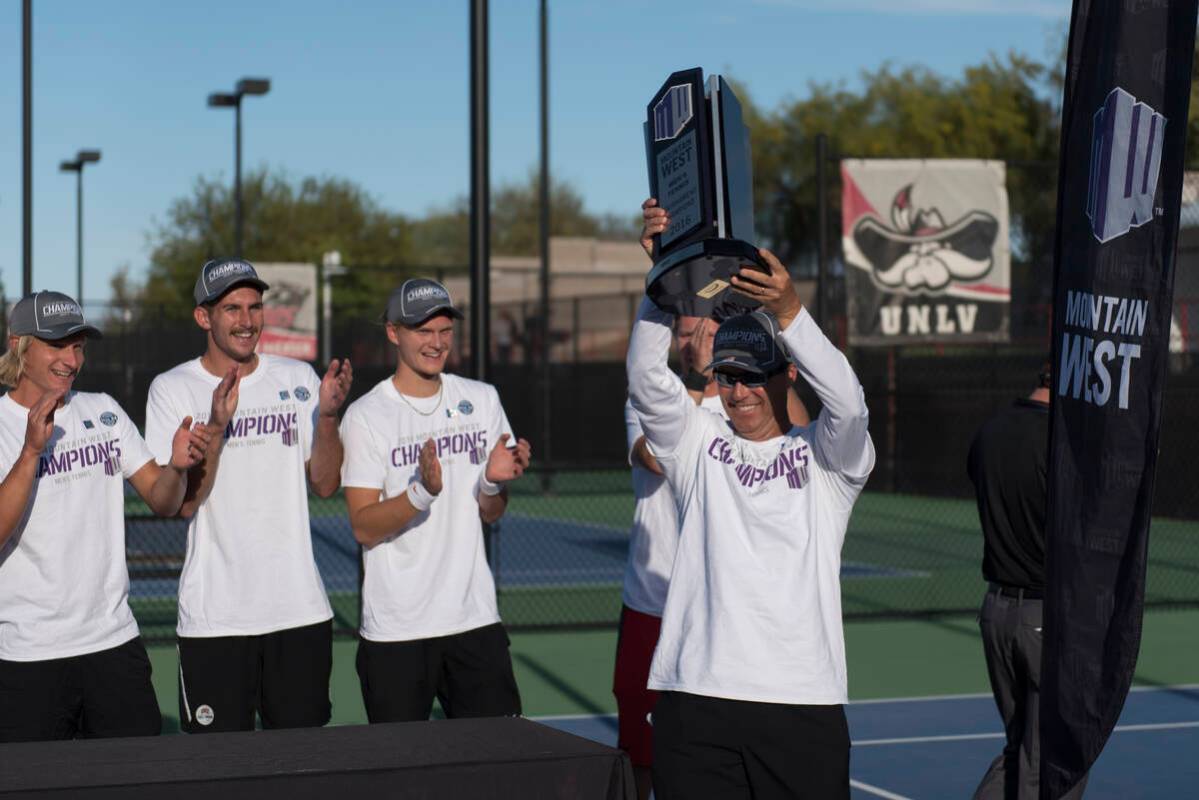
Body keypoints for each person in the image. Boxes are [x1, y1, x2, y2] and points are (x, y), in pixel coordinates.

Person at [626, 246, 874, 799]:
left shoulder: (827, 463)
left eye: (753, 376)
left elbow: (850, 406)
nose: (740, 392)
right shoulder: (697, 445)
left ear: (787, 372)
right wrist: (662, 285)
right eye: (729, 377)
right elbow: (645, 378)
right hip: (696, 700)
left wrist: (790, 313)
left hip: (800, 703)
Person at [614, 200, 812, 800]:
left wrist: (749, 364)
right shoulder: (659, 404)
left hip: (728, 614)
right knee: (643, 757)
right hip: (654, 603)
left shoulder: (750, 403)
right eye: (685, 329)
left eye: (704, 327)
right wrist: (663, 275)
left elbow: (797, 429)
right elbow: (656, 456)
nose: (694, 336)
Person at [144, 259, 353, 734]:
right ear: (204, 317)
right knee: (217, 772)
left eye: (255, 306)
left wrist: (327, 417)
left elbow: (324, 484)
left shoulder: (298, 378)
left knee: (302, 768)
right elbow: (182, 505)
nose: (247, 320)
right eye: (232, 308)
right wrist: (216, 427)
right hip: (216, 619)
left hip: (299, 613)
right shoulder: (172, 389)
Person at [0, 291, 211, 742]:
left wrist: (176, 467)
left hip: (113, 644)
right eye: (57, 344)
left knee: (137, 779)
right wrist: (32, 451)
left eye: (78, 346)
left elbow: (163, 500)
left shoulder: (104, 411)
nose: (71, 359)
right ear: (18, 344)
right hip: (27, 655)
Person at [340, 278, 531, 723]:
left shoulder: (482, 400)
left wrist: (491, 483)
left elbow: (491, 512)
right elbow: (363, 525)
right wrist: (421, 492)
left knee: (499, 766)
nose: (436, 342)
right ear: (393, 333)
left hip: (474, 621)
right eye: (423, 331)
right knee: (402, 777)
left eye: (444, 330)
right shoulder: (366, 416)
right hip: (397, 631)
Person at [967, 366, 1087, 799]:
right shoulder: (1063, 444)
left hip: (997, 612)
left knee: (1021, 749)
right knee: (1056, 758)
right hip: (1045, 617)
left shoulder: (991, 431)